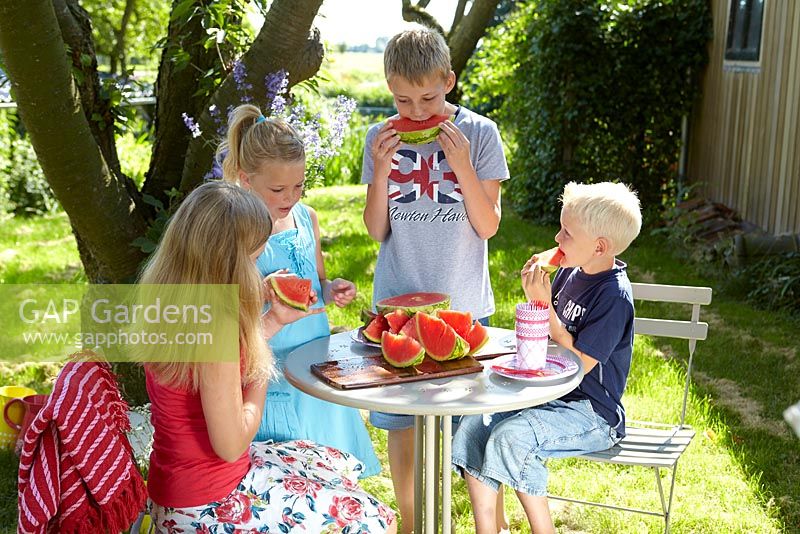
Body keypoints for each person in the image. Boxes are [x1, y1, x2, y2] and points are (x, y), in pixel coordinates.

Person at [142, 181, 396, 532]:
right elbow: (231, 445)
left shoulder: (170, 303)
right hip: (209, 502)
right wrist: (261, 362)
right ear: (227, 263)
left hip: (177, 489)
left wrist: (272, 320)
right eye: (253, 257)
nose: (258, 265)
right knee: (371, 520)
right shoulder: (217, 329)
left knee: (331, 460)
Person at [361, 27, 510, 532]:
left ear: (450, 79)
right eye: (404, 99)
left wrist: (462, 163)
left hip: (464, 304)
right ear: (389, 89)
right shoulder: (379, 137)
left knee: (477, 426)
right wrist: (381, 172)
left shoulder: (481, 134)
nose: (418, 111)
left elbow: (488, 224)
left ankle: (493, 523)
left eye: (428, 97)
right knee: (402, 427)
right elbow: (376, 228)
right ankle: (410, 521)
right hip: (396, 306)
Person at [451, 181, 642, 534]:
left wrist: (545, 306)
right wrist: (534, 305)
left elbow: (577, 366)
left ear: (599, 246)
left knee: (513, 437)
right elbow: (542, 346)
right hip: (548, 396)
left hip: (592, 412)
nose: (556, 239)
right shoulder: (570, 272)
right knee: (473, 425)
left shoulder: (614, 296)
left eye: (567, 233)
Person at [217, 104, 381, 477]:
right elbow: (230, 310)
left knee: (335, 471)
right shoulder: (235, 235)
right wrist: (263, 293)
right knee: (287, 474)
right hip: (269, 370)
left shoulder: (308, 219)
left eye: (298, 186)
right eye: (277, 188)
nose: (289, 196)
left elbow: (315, 282)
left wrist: (331, 288)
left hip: (318, 364)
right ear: (246, 179)